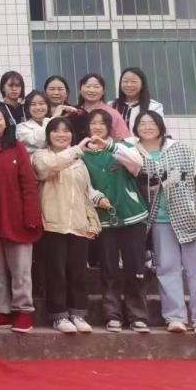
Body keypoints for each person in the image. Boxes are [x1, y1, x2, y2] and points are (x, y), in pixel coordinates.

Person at [133, 111, 196, 339]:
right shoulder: (133, 153)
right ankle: (175, 317)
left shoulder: (181, 149)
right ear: (136, 128)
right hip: (159, 222)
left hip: (192, 220)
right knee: (166, 268)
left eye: (152, 122)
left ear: (161, 126)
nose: (147, 126)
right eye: (142, 123)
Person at [0, 105, 42, 333]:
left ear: (6, 124)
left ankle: (23, 310)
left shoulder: (17, 148)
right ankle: (0, 310)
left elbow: (29, 184)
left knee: (20, 267)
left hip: (16, 217)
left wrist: (31, 215)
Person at [32, 117, 103, 334]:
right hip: (53, 224)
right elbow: (47, 169)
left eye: (66, 131)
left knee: (78, 272)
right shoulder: (41, 156)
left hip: (78, 225)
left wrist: (92, 221)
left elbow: (85, 193)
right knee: (56, 272)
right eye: (56, 130)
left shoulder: (80, 162)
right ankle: (59, 315)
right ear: (48, 135)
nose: (61, 134)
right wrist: (76, 150)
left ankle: (78, 313)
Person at [81, 108, 148, 333]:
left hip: (132, 215)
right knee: (109, 268)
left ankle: (138, 315)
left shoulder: (123, 147)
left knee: (135, 267)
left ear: (109, 127)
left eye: (102, 123)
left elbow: (137, 164)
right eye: (93, 123)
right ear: (87, 127)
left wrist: (110, 147)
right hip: (103, 218)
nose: (97, 127)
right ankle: (113, 314)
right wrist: (96, 197)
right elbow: (82, 184)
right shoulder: (82, 153)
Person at [77, 74, 130, 141]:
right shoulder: (75, 112)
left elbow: (125, 140)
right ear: (80, 90)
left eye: (96, 87)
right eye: (88, 86)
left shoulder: (112, 113)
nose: (92, 90)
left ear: (103, 91)